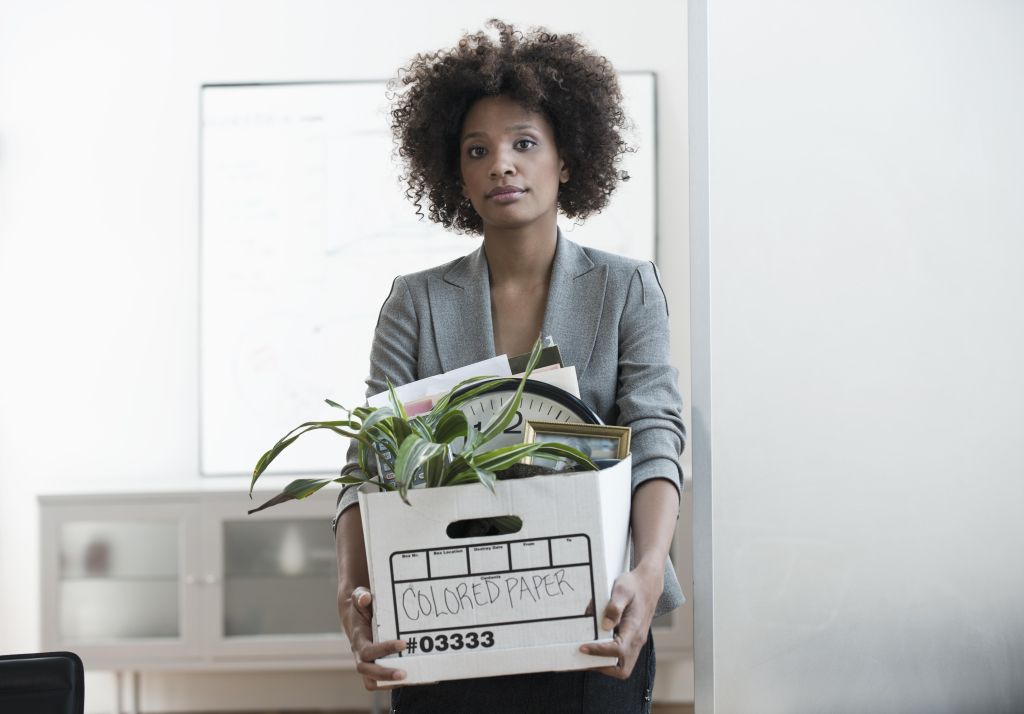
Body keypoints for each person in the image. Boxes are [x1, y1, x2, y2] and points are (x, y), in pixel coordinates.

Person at [332, 19, 686, 713]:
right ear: (455, 175)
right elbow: (369, 458)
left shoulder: (627, 288)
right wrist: (352, 590)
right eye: (477, 150)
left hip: (594, 617)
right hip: (444, 620)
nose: (502, 163)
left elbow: (655, 439)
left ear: (568, 160)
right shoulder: (416, 301)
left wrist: (646, 572)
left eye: (525, 143)